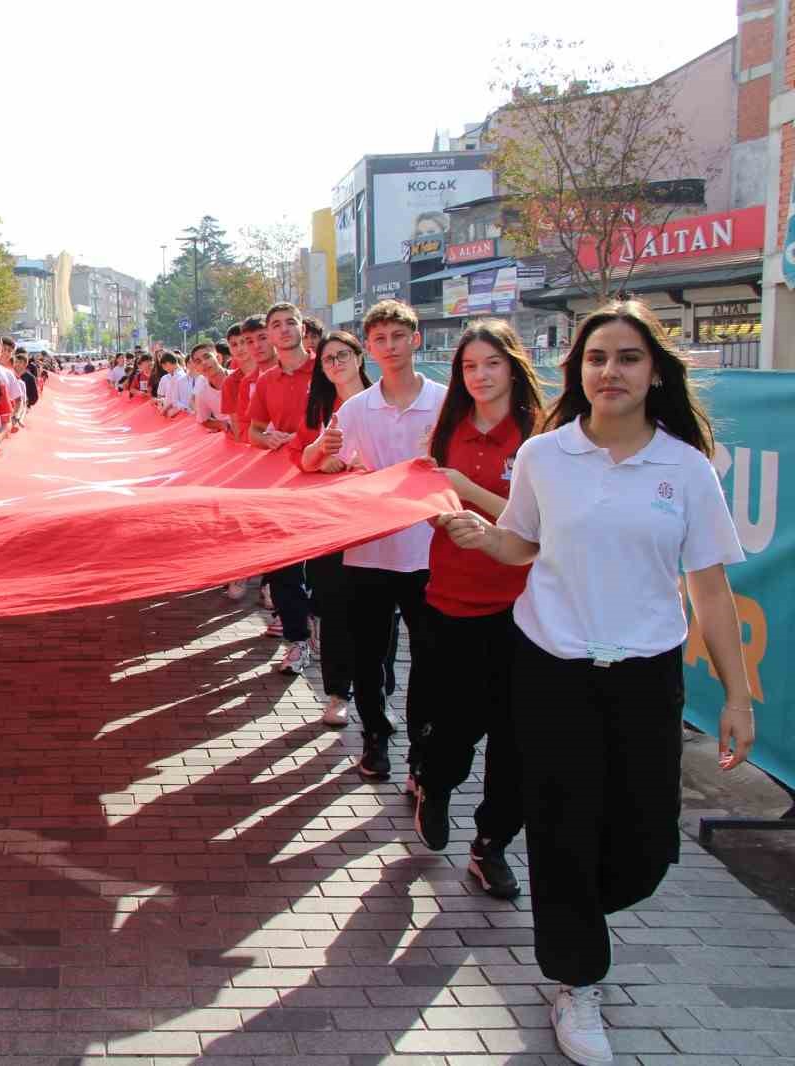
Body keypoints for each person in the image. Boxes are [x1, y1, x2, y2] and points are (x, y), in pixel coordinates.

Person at [435, 299, 754, 1066]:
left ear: (655, 373)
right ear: (578, 372)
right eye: (597, 358)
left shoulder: (685, 467)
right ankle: (577, 980)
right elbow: (520, 544)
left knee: (644, 847)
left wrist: (738, 696)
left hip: (645, 677)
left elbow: (708, 589)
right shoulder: (547, 456)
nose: (611, 371)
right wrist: (482, 537)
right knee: (561, 830)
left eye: (629, 358)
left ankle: (578, 908)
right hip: (552, 670)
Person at [410, 319, 546, 904]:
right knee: (456, 727)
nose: (480, 375)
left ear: (513, 366)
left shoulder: (542, 437)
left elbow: (537, 518)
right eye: (469, 366)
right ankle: (434, 786)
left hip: (526, 610)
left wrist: (468, 487)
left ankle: (491, 845)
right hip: (452, 602)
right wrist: (438, 510)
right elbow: (421, 500)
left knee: (516, 739)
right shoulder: (446, 432)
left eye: (491, 363)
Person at [317, 299, 445, 782]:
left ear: (416, 340)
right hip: (368, 551)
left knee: (429, 660)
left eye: (398, 337)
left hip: (429, 553)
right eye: (380, 339)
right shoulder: (355, 409)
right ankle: (375, 738)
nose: (389, 348)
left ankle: (422, 751)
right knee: (369, 656)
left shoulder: (447, 401)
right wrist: (326, 457)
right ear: (368, 348)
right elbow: (325, 461)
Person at [296, 331, 373, 728]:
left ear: (359, 357)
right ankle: (338, 693)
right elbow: (302, 459)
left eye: (343, 355)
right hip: (329, 526)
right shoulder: (319, 409)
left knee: (378, 618)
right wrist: (320, 455)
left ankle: (378, 695)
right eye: (328, 359)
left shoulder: (382, 402)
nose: (337, 364)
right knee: (335, 612)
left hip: (377, 527)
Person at [245, 302, 317, 671]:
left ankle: (317, 626)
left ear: (303, 329)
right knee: (286, 566)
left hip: (322, 480)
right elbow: (253, 429)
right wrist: (267, 438)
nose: (284, 330)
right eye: (277, 325)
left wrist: (312, 443)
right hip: (281, 484)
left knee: (322, 571)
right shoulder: (267, 380)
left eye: (291, 323)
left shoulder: (326, 369)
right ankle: (297, 641)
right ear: (271, 335)